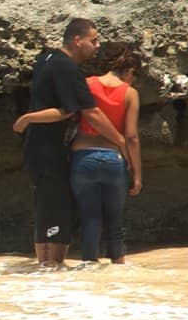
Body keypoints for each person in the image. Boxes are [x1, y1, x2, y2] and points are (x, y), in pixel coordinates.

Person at [12, 19, 127, 269]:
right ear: (77, 40)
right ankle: (52, 267)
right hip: (52, 151)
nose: (97, 46)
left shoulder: (46, 59)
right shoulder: (68, 69)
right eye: (93, 40)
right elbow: (89, 112)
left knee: (44, 207)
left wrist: (30, 119)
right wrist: (119, 140)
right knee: (59, 209)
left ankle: (45, 269)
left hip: (35, 149)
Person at [71, 49, 143, 265]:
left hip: (83, 158)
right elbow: (131, 137)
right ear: (130, 70)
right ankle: (118, 271)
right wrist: (138, 173)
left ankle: (89, 267)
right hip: (113, 160)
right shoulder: (130, 93)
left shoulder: (87, 83)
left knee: (90, 217)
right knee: (115, 220)